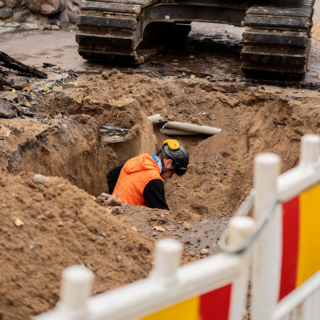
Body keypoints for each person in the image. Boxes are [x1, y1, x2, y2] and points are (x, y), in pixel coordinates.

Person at [106, 139, 189, 210]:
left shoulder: (136, 161)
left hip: (113, 214)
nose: (170, 177)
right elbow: (163, 212)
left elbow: (112, 174)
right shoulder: (153, 180)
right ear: (168, 163)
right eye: (172, 173)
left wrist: (114, 198)